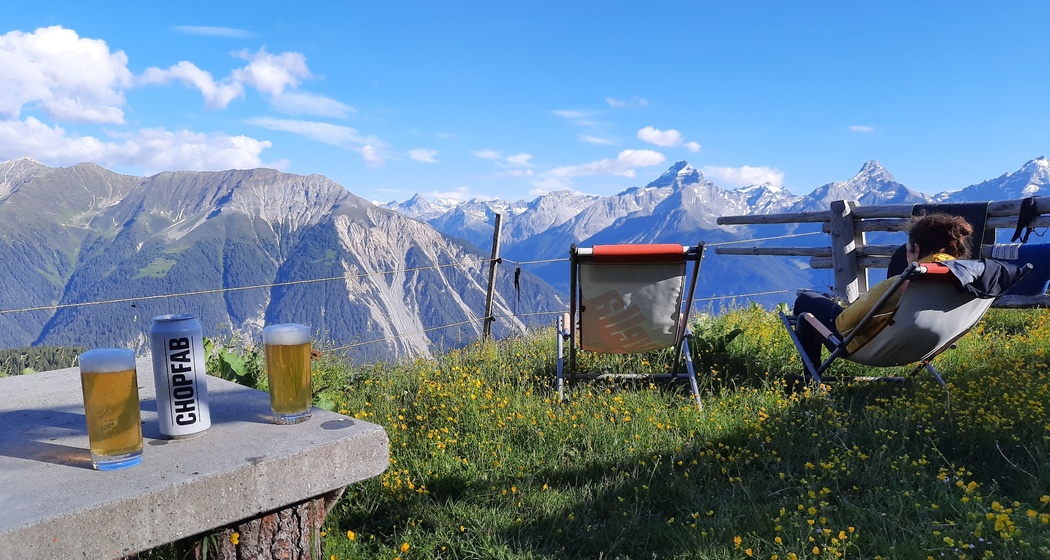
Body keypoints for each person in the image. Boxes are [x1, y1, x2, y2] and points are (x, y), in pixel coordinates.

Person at [792, 213, 974, 374]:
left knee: (806, 301)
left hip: (874, 347)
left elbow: (844, 325)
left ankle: (810, 376)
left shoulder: (904, 283)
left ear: (916, 249)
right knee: (821, 302)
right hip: (927, 345)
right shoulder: (970, 278)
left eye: (907, 250)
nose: (906, 256)